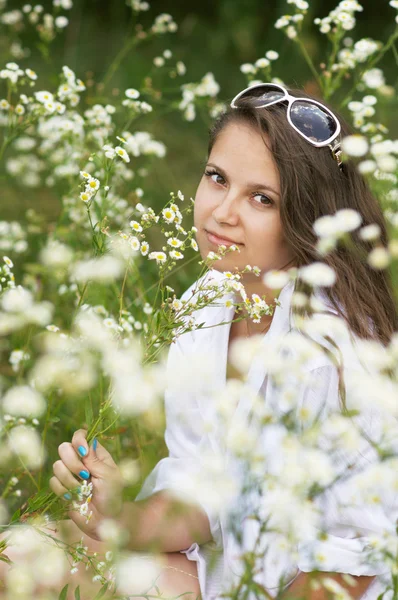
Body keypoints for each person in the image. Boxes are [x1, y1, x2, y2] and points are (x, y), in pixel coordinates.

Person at [9, 83, 397, 600]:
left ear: (307, 217)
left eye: (262, 198)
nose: (222, 212)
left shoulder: (338, 351)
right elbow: (204, 488)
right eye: (217, 179)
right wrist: (122, 517)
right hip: (224, 571)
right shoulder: (208, 300)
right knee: (17, 555)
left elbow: (353, 562)